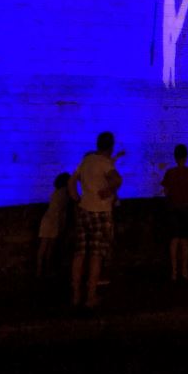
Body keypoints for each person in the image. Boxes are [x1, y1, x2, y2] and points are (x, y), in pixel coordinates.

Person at [68, 132, 122, 309]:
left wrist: (77, 198)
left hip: (84, 209)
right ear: (110, 146)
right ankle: (90, 296)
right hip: (100, 211)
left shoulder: (87, 160)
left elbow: (71, 181)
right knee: (96, 255)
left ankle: (76, 295)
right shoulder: (105, 162)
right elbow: (117, 179)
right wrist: (108, 191)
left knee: (79, 253)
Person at [161, 144, 188, 282]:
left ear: (175, 157)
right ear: (186, 156)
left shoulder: (170, 173)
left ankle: (173, 271)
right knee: (185, 241)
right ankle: (184, 271)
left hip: (173, 209)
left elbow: (166, 192)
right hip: (186, 209)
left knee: (174, 241)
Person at [37, 172, 71, 277]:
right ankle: (47, 270)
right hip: (54, 221)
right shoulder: (65, 193)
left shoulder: (56, 192)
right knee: (50, 248)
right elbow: (62, 212)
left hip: (47, 219)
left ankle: (38, 270)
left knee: (43, 247)